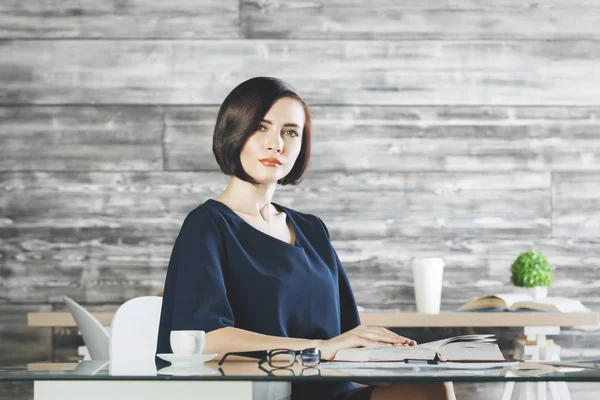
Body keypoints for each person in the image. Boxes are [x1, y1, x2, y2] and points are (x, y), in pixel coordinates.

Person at [156, 77, 456, 400]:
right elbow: (207, 342)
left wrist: (390, 356)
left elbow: (347, 338)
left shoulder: (313, 231)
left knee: (432, 383)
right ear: (234, 130)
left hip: (332, 392)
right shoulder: (207, 226)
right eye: (261, 127)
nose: (277, 144)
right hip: (265, 396)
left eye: (290, 132)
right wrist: (320, 349)